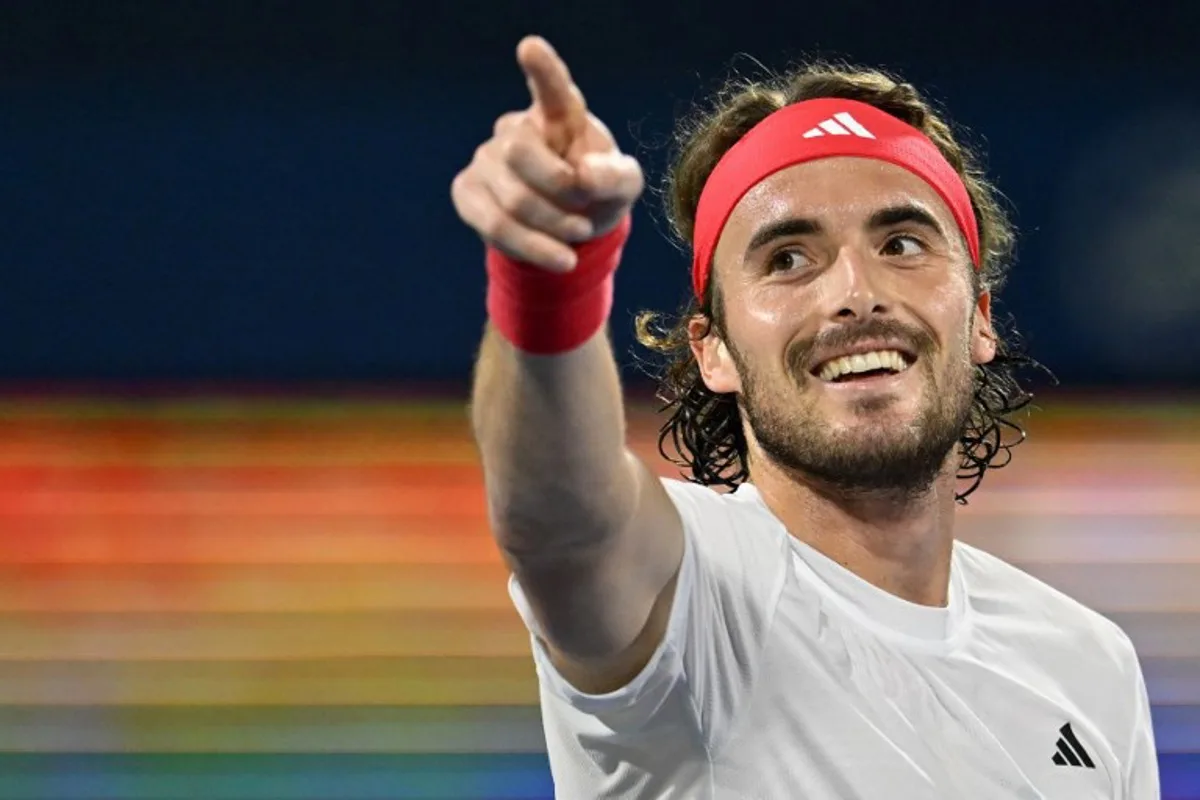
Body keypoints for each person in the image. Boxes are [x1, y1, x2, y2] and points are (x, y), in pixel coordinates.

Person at [450, 35, 1160, 799]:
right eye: (788, 258)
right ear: (713, 350)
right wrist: (549, 281)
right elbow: (561, 517)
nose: (856, 290)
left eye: (902, 243)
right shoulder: (690, 594)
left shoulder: (1090, 667)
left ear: (980, 317)